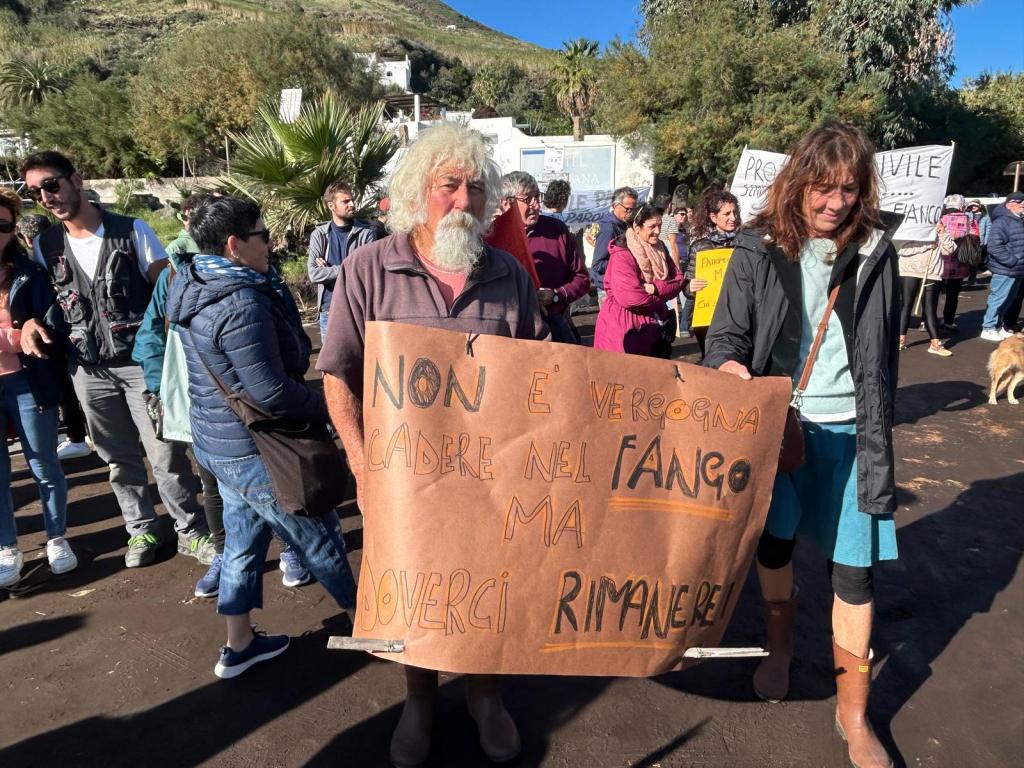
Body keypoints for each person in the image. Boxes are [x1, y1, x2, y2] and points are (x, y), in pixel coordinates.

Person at [317, 122, 548, 767]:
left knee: (488, 585)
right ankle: (417, 697)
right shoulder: (368, 268)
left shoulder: (509, 274)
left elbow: (539, 373)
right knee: (414, 588)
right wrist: (364, 469)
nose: (463, 199)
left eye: (476, 187)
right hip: (402, 481)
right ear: (420, 190)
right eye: (449, 184)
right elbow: (338, 374)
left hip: (491, 479)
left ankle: (484, 695)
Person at [706, 121, 900, 768]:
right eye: (823, 187)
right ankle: (781, 650)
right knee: (775, 547)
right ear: (798, 183)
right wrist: (732, 370)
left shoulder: (876, 249)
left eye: (849, 188)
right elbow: (727, 337)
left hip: (854, 434)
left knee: (855, 574)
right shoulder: (757, 247)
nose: (835, 202)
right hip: (777, 431)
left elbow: (881, 355)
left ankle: (854, 712)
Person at [167, 196, 357, 678]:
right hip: (257, 448)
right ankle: (369, 624)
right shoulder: (240, 299)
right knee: (321, 540)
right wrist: (332, 408)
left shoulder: (191, 280)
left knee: (242, 544)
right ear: (234, 245)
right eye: (263, 236)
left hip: (218, 443)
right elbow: (270, 392)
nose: (272, 244)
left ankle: (239, 643)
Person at [20, 151, 211, 568]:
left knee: (165, 453)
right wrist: (31, 319)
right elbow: (36, 297)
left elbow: (168, 293)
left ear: (77, 178)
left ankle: (189, 530)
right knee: (116, 457)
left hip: (140, 365)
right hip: (86, 370)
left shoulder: (132, 231)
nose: (47, 197)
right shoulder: (44, 245)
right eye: (36, 192)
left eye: (52, 185)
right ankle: (141, 529)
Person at [0, 188, 78, 587]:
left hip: (28, 382)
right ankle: (7, 547)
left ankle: (56, 537)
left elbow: (54, 326)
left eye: (3, 224)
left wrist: (32, 326)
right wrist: (18, 331)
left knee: (44, 465)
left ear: (14, 228)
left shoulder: (30, 272)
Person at [15, 212, 91, 461]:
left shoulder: (32, 264)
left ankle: (78, 437)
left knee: (64, 388)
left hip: (54, 335)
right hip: (75, 331)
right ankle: (82, 434)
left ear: (27, 237)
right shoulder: (59, 252)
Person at [499, 171, 589, 344]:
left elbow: (582, 279)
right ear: (506, 203)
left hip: (555, 327)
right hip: (509, 335)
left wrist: (556, 295)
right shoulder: (492, 237)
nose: (536, 205)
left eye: (537, 197)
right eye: (527, 199)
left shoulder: (558, 231)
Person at [593, 203, 685, 357]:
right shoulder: (622, 254)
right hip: (624, 328)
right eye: (652, 226)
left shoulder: (660, 249)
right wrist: (659, 302)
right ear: (637, 229)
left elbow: (678, 280)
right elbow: (631, 298)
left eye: (660, 225)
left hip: (653, 329)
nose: (658, 231)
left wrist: (655, 288)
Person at [306, 181, 379, 342]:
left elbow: (366, 271)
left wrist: (330, 270)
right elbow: (314, 274)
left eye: (352, 200)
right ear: (331, 206)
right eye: (345, 201)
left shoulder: (366, 234)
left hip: (358, 308)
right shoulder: (319, 234)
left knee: (363, 363)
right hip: (329, 310)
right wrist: (349, 268)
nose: (352, 204)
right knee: (332, 365)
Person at [684, 188, 741, 358]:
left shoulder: (745, 243)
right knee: (712, 363)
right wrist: (690, 287)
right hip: (709, 319)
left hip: (738, 317)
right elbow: (687, 287)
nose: (733, 218)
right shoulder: (700, 246)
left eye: (735, 212)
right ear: (713, 217)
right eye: (727, 213)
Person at [981, 191, 1024, 339]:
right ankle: (988, 328)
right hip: (1006, 268)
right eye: (1019, 202)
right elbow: (994, 247)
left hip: (1017, 269)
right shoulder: (1002, 221)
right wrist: (1013, 261)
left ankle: (998, 326)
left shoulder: (1018, 220)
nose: (1022, 204)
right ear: (1009, 204)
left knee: (1009, 299)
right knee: (998, 298)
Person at [590, 186, 638, 304]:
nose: (630, 213)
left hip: (619, 282)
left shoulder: (624, 224)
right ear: (615, 205)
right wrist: (625, 264)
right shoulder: (608, 228)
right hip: (607, 286)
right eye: (628, 209)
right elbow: (597, 265)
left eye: (633, 209)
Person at [937, 195, 975, 334]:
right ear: (961, 205)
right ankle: (948, 322)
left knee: (932, 293)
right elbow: (973, 235)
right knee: (952, 295)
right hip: (959, 263)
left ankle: (926, 320)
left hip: (939, 261)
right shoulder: (967, 219)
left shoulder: (940, 218)